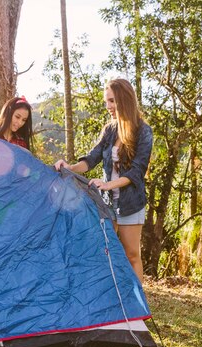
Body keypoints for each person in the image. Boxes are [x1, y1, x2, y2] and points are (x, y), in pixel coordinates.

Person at [54, 79, 153, 281]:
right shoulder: (110, 130)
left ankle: (138, 311)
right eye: (106, 101)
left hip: (131, 203)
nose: (108, 106)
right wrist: (69, 167)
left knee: (131, 254)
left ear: (125, 100)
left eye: (112, 101)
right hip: (107, 203)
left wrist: (108, 184)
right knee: (103, 254)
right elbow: (91, 160)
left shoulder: (143, 132)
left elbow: (137, 172)